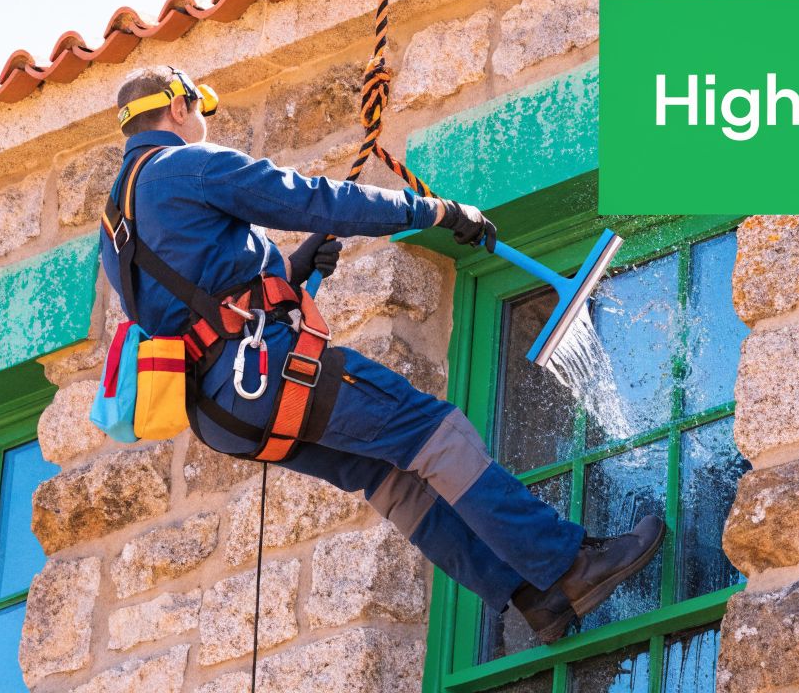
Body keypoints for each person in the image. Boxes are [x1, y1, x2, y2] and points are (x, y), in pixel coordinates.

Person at [100, 65, 662, 643]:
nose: (202, 120)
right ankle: (568, 566)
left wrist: (289, 272)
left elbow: (192, 304)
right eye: (199, 108)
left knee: (391, 477)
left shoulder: (115, 221)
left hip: (222, 414)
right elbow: (315, 201)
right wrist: (436, 212)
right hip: (263, 376)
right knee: (432, 432)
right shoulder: (188, 166)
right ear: (177, 106)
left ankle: (536, 598)